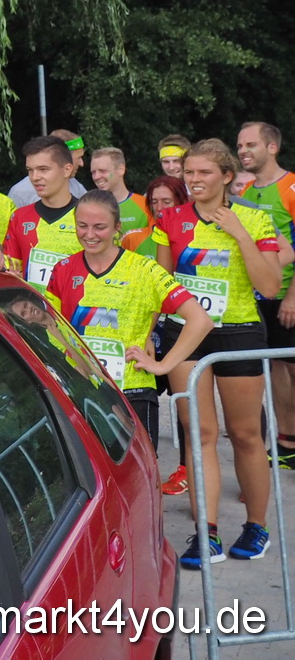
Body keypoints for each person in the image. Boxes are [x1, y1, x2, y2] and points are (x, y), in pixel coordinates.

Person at [153, 139, 283, 567]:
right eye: (189, 172)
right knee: (199, 434)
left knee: (245, 434)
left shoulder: (255, 218)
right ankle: (205, 533)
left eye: (204, 173)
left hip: (238, 332)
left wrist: (240, 234)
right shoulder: (171, 218)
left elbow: (269, 286)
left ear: (227, 176)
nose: (194, 180)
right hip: (187, 333)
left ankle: (256, 526)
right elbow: (163, 283)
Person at [44, 191, 212, 451]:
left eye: (100, 227)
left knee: (140, 472)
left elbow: (200, 320)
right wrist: (73, 361)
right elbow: (51, 326)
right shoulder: (63, 269)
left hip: (132, 391)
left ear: (117, 227)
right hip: (81, 389)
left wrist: (163, 366)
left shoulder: (145, 269)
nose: (89, 234)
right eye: (82, 225)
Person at [234, 121, 295, 469]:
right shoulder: (247, 190)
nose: (243, 151)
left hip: (287, 295)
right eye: (240, 145)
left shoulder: (290, 187)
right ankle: (286, 443)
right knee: (276, 370)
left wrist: (292, 298)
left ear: (272, 147)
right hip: (260, 298)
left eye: (251, 145)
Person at [143, 174, 194, 496]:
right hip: (149, 324)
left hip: (181, 324)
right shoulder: (138, 236)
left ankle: (187, 469)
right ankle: (145, 470)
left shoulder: (186, 231)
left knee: (184, 400)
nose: (160, 207)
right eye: (154, 202)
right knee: (148, 395)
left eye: (167, 201)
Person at [3, 134, 88, 292]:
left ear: (67, 170)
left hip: (77, 306)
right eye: (30, 170)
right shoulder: (19, 217)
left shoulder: (88, 216)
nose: (35, 177)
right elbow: (11, 271)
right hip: (33, 306)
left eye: (43, 169)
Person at [89, 146, 153, 252]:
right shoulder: (89, 207)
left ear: (121, 169)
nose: (96, 177)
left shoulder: (145, 205)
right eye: (93, 172)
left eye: (102, 171)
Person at [8, 128, 88, 207]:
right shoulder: (19, 193)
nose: (81, 163)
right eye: (78, 157)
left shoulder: (75, 185)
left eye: (43, 169)